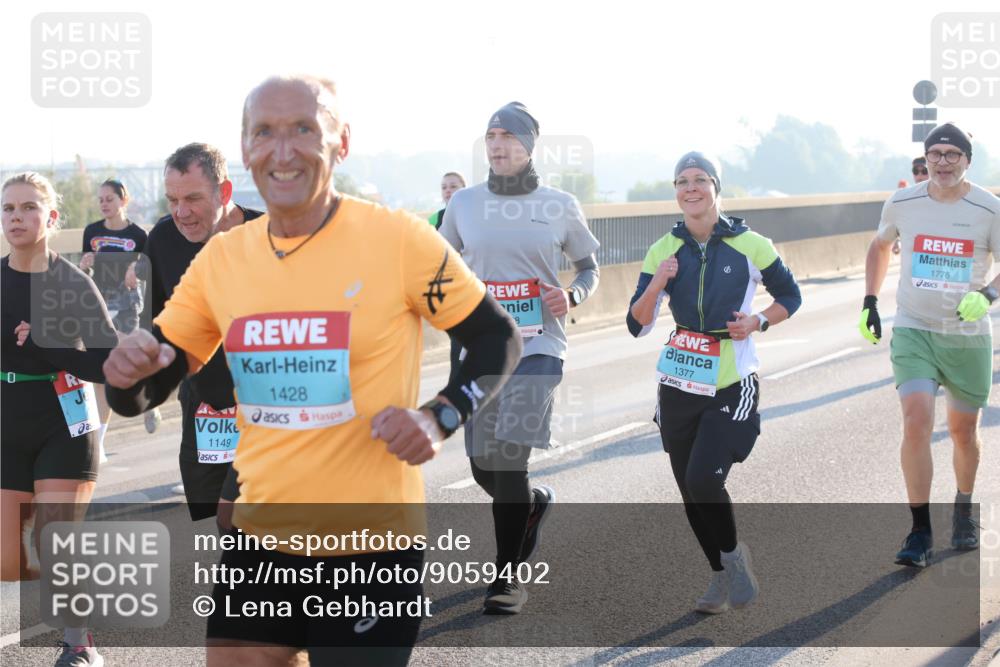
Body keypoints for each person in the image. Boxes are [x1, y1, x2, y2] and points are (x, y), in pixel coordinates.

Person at [103, 74, 521, 667]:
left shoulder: (396, 239)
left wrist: (441, 415)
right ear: (246, 151)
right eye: (264, 132)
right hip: (260, 544)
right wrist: (124, 380)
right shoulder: (223, 259)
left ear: (341, 141)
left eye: (304, 128)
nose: (282, 149)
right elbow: (151, 384)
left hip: (370, 549)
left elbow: (493, 335)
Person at [439, 102, 601, 614]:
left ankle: (507, 578)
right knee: (484, 467)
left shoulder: (558, 204)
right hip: (480, 349)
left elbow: (589, 269)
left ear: (529, 145)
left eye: (509, 135)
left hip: (539, 348)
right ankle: (532, 506)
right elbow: (439, 267)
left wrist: (569, 297)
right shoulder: (463, 203)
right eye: (490, 135)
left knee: (509, 458)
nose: (498, 144)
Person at [626, 151, 801, 614]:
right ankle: (722, 575)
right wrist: (657, 282)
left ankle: (734, 559)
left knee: (705, 480)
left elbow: (790, 295)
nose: (690, 188)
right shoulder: (663, 249)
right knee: (689, 488)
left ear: (716, 188)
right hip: (680, 382)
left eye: (699, 179)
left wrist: (758, 321)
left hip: (731, 381)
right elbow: (637, 324)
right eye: (681, 181)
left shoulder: (751, 243)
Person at [861, 122, 999, 568]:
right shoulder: (903, 202)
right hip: (915, 328)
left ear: (967, 161)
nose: (942, 162)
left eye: (952, 154)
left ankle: (963, 505)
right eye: (935, 154)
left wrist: (989, 295)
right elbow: (879, 247)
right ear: (925, 160)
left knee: (962, 432)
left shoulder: (988, 208)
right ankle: (919, 531)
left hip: (965, 337)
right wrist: (869, 301)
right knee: (916, 419)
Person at [1, 172, 118, 666]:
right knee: (10, 559)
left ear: (50, 218)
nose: (16, 218)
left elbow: (109, 362)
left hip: (64, 419)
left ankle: (78, 643)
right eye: (8, 209)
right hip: (8, 421)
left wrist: (53, 341)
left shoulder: (73, 282)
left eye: (29, 208)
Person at [132, 142, 264, 526]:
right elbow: (156, 322)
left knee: (254, 529)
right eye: (172, 199)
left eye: (192, 198)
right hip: (204, 410)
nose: (181, 212)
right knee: (212, 528)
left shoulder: (270, 235)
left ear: (225, 192)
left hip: (270, 413)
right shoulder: (162, 239)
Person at [80, 179, 161, 454]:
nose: (104, 204)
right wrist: (85, 266)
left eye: (109, 199)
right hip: (99, 305)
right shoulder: (91, 232)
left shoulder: (139, 235)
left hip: (127, 304)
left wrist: (136, 269)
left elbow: (149, 268)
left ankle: (148, 396)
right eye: (101, 199)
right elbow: (86, 271)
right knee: (102, 374)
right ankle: (98, 445)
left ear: (123, 201)